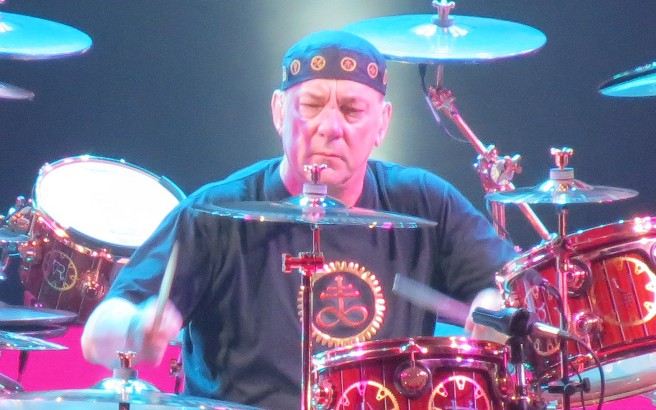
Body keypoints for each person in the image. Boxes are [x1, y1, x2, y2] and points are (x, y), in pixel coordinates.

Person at [81, 30, 516, 409]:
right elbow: (98, 332)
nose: (330, 127)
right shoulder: (216, 210)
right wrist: (135, 329)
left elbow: (514, 291)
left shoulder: (425, 202)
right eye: (311, 105)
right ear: (278, 112)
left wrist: (493, 311)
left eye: (352, 110)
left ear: (382, 122)